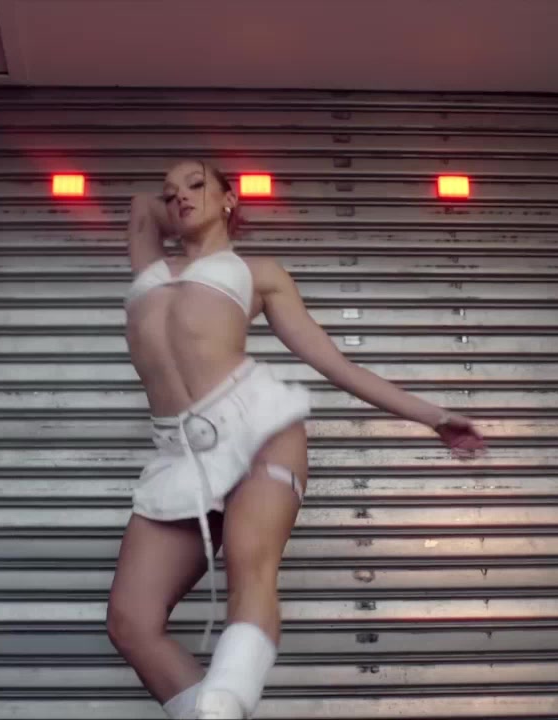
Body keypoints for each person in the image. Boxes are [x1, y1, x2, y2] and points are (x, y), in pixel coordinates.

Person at [107, 160, 487, 719]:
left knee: (249, 569)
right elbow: (142, 204)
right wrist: (180, 203)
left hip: (258, 429)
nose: (179, 196)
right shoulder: (151, 266)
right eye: (172, 192)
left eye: (197, 185)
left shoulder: (257, 273)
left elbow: (335, 365)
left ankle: (225, 701)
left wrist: (434, 416)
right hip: (181, 453)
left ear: (230, 199)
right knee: (130, 620)